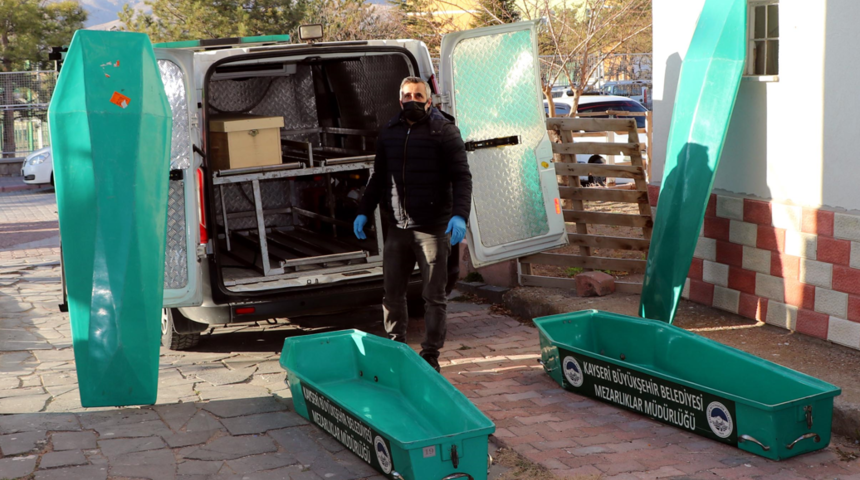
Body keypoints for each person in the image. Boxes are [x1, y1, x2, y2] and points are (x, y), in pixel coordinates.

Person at [353, 76, 472, 372]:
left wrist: (460, 215)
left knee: (434, 297)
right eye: (407, 96)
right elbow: (379, 177)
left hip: (433, 228)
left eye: (418, 96)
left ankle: (430, 355)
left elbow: (462, 177)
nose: (412, 100)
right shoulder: (389, 131)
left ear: (429, 101)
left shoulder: (444, 131)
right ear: (400, 100)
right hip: (398, 228)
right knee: (392, 295)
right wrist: (364, 210)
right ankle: (396, 348)